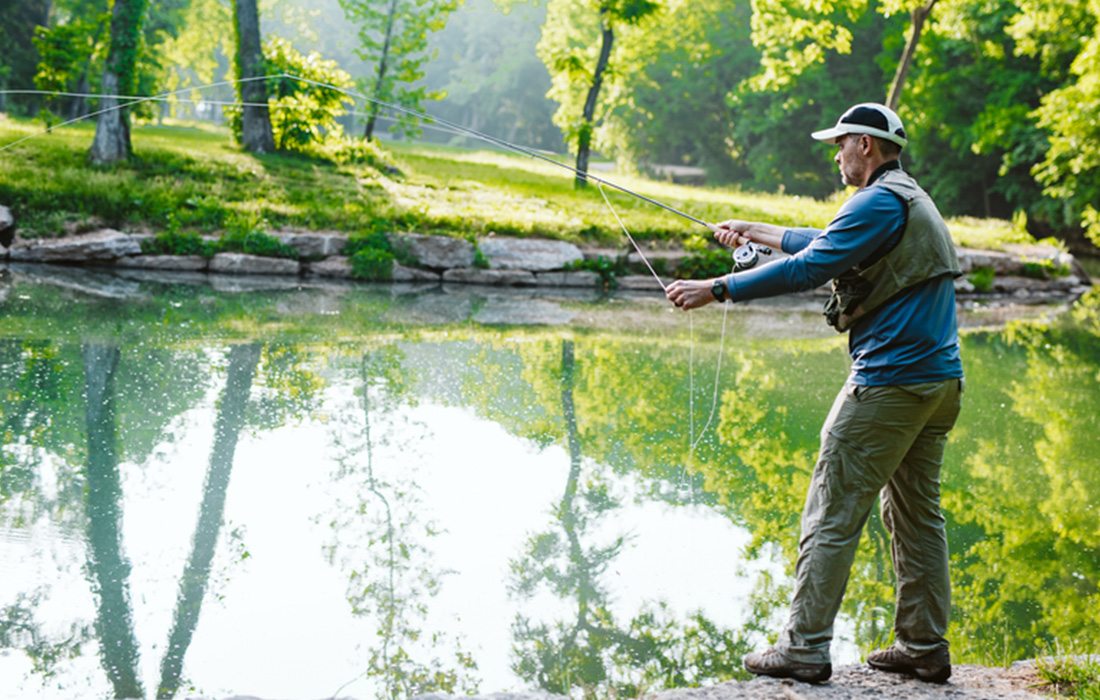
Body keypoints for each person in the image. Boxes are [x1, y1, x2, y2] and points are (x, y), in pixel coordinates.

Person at [666, 103, 964, 685]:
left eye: (840, 144)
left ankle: (803, 647)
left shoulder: (878, 201)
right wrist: (756, 230)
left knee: (831, 508)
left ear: (865, 145)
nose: (836, 156)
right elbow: (827, 243)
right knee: (915, 515)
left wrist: (717, 288)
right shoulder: (904, 197)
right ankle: (924, 645)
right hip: (937, 381)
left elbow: (809, 267)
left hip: (889, 381)